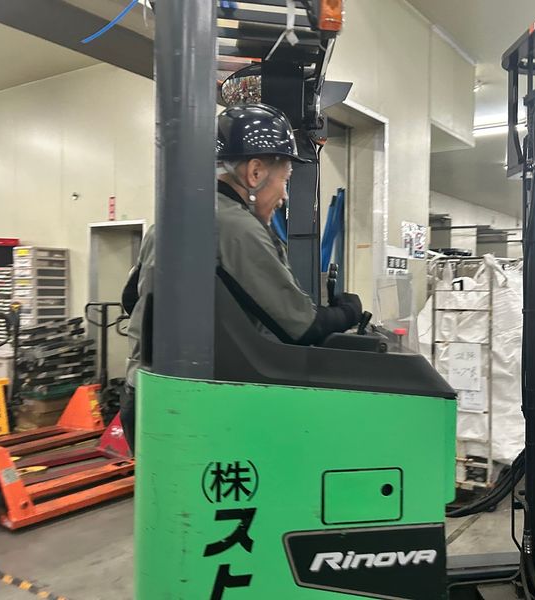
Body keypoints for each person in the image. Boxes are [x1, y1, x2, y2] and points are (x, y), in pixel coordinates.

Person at [120, 103, 364, 451]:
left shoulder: (171, 219)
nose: (284, 196)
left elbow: (131, 299)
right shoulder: (235, 225)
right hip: (194, 406)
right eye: (285, 181)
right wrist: (349, 310)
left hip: (143, 392)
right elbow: (301, 327)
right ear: (255, 172)